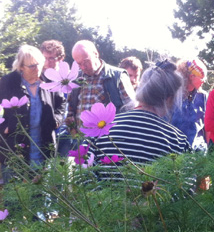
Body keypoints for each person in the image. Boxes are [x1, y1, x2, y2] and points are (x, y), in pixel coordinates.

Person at [90, 61, 190, 165]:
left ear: (141, 87)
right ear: (169, 99)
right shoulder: (178, 141)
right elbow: (186, 179)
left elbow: (82, 175)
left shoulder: (101, 131)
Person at [0, 45, 65, 178]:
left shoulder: (49, 81)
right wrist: (3, 128)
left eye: (39, 64)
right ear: (21, 66)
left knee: (41, 193)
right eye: (32, 66)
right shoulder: (8, 82)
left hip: (44, 144)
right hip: (15, 146)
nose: (37, 69)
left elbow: (61, 102)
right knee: (16, 193)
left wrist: (57, 120)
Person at [65, 40, 136, 135]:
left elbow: (131, 109)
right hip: (81, 140)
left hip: (109, 139)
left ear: (96, 54)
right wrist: (73, 131)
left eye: (86, 62)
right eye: (79, 64)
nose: (83, 67)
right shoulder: (76, 79)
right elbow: (69, 111)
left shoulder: (117, 76)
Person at [172, 58, 208, 150]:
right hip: (175, 151)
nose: (204, 81)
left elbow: (207, 128)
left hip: (198, 153)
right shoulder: (171, 96)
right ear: (191, 76)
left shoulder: (203, 97)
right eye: (202, 77)